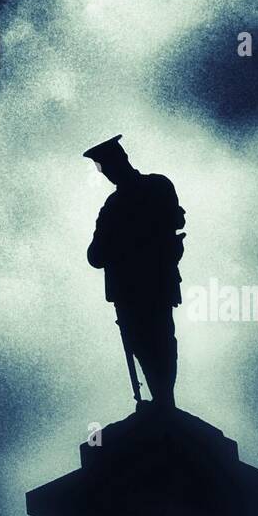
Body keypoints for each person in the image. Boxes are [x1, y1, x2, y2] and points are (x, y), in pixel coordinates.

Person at [84, 135, 185, 407]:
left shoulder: (156, 186)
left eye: (105, 165)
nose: (104, 173)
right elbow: (94, 256)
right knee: (142, 343)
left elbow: (173, 220)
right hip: (128, 290)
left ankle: (165, 400)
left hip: (153, 282)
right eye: (101, 167)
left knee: (160, 340)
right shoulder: (112, 207)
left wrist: (127, 242)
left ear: (122, 160)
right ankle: (162, 399)